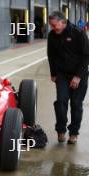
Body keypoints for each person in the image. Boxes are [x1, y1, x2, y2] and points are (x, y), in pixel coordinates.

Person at [47, 11, 89, 144]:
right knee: (61, 102)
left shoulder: (78, 33)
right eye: (51, 25)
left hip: (79, 74)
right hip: (62, 75)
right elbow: (51, 55)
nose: (53, 28)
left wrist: (78, 77)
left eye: (55, 25)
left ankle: (74, 133)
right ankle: (61, 130)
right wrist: (53, 73)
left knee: (76, 104)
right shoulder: (52, 35)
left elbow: (86, 56)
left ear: (63, 22)